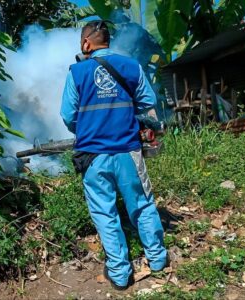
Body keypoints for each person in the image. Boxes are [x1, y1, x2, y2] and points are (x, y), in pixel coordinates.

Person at [60, 20, 167, 290]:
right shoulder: (131, 66)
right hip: (128, 152)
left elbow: (68, 116)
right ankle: (157, 260)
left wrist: (87, 127)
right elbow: (147, 103)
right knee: (141, 204)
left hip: (93, 156)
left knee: (105, 213)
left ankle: (120, 274)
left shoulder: (77, 72)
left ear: (86, 44)